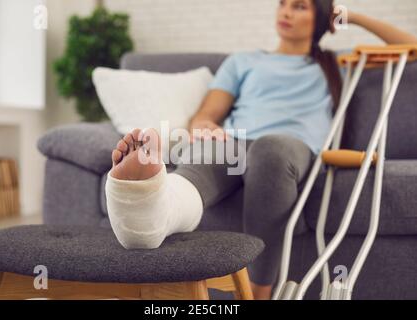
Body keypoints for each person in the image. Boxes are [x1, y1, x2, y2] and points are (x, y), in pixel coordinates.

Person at [105, 0, 417, 300]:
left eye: (299, 6)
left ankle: (256, 294)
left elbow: (411, 47)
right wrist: (206, 128)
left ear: (320, 18)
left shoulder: (339, 62)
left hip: (290, 147)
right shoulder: (243, 61)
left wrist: (351, 18)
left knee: (270, 150)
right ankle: (151, 208)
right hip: (237, 141)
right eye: (283, 3)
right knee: (206, 153)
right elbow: (204, 116)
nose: (286, 11)